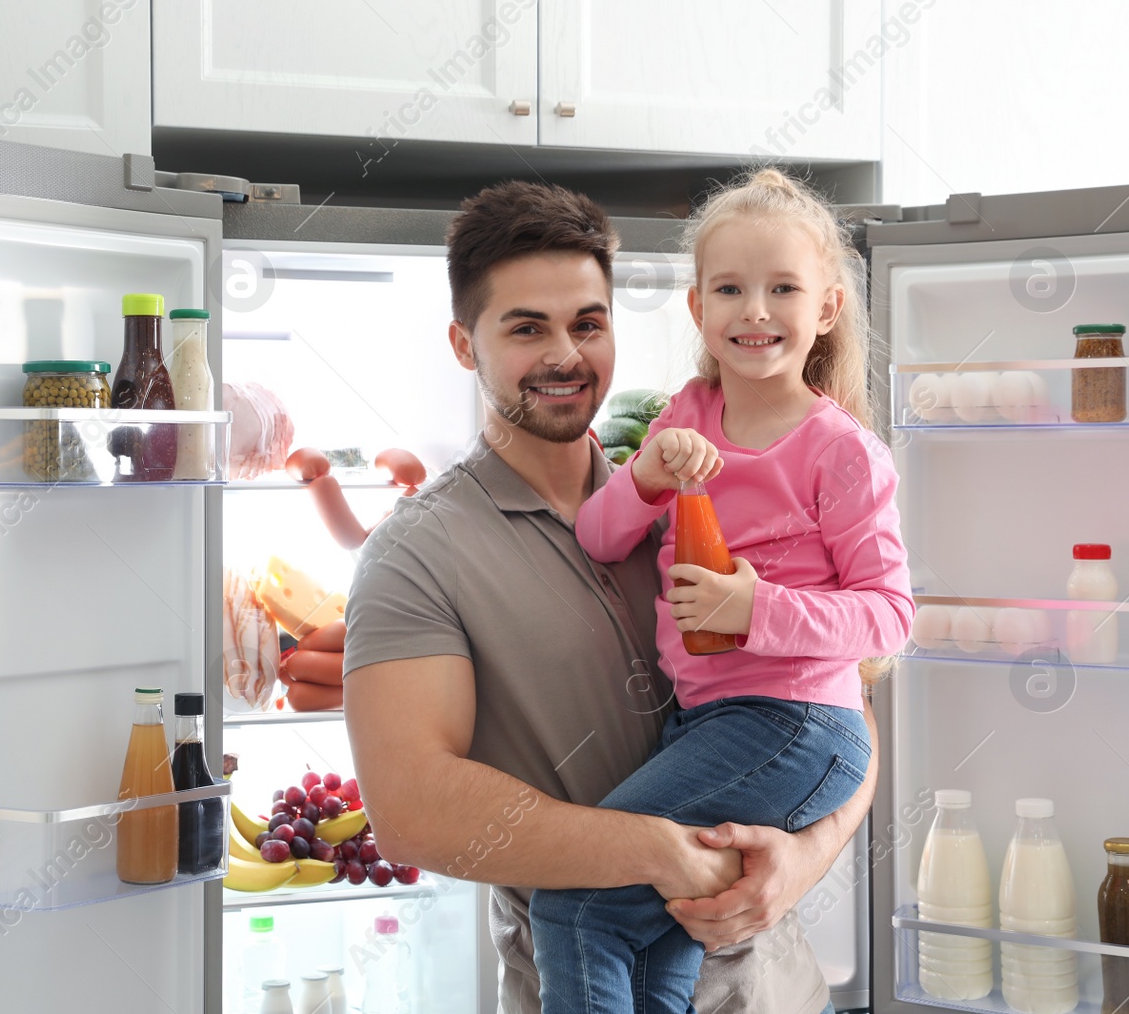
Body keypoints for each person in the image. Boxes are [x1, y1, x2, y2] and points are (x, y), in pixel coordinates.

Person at [342, 179, 878, 1014]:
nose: (565, 354)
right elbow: (411, 810)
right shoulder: (418, 553)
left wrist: (808, 852)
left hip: (770, 987)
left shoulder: (691, 477)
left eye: (588, 324)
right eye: (527, 328)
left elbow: (845, 706)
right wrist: (654, 851)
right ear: (462, 342)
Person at [525, 168, 914, 1012]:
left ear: (827, 309)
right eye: (731, 288)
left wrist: (756, 609)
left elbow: (891, 616)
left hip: (799, 724)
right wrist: (647, 478)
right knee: (667, 931)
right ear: (699, 308)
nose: (756, 310)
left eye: (784, 288)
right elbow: (598, 536)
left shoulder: (839, 450)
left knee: (572, 903)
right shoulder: (685, 417)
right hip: (706, 724)